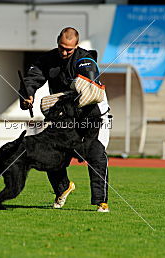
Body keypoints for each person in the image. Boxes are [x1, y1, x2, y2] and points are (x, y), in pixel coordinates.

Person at [20, 27, 111, 212]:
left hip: (94, 116)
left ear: (76, 46)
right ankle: (62, 188)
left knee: (96, 155)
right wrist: (28, 95)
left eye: (69, 49)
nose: (64, 52)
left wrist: (71, 94)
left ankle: (101, 202)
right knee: (49, 152)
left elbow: (91, 86)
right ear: (57, 42)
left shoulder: (85, 60)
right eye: (61, 47)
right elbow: (32, 78)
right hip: (66, 115)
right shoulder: (47, 60)